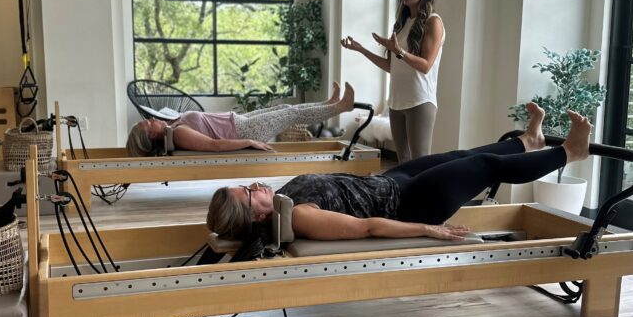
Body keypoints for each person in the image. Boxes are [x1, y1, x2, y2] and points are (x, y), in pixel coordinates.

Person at [207, 103, 591, 242]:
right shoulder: (302, 217)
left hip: (393, 183)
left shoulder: (283, 201)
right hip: (411, 204)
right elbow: (368, 227)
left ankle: (528, 141)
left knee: (462, 154)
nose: (255, 185)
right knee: (483, 167)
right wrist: (428, 229)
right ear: (256, 215)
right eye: (248, 191)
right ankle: (569, 153)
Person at [341, 0, 445, 163]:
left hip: (420, 102)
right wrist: (361, 49)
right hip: (396, 102)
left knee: (420, 163)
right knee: (403, 163)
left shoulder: (434, 22)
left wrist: (399, 51)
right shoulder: (402, 24)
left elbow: (425, 66)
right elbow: (392, 67)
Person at [126, 82, 357, 157]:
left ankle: (330, 104)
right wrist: (249, 142)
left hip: (239, 121)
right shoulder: (178, 133)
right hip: (244, 131)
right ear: (153, 134)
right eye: (148, 123)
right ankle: (339, 107)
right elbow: (214, 145)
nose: (151, 119)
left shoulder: (173, 125)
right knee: (291, 115)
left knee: (286, 107)